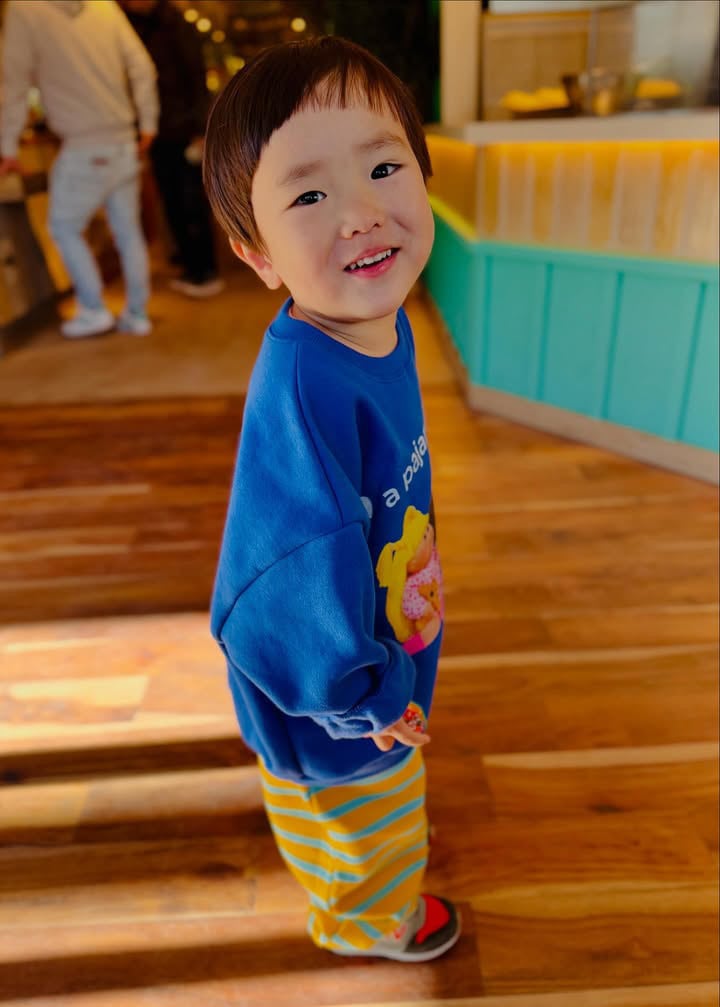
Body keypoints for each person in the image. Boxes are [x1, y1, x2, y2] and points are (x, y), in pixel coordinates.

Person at [204, 37, 460, 962]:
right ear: (257, 254)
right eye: (308, 196)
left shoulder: (376, 324)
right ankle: (369, 921)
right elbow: (279, 591)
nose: (360, 213)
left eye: (384, 168)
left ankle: (385, 853)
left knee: (385, 802)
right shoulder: (306, 392)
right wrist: (362, 699)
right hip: (333, 691)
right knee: (356, 822)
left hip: (378, 647)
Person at [0, 0, 158, 338]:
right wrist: (148, 123)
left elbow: (13, 84)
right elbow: (142, 66)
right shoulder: (104, 6)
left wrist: (8, 147)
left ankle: (92, 309)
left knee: (64, 227)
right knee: (128, 232)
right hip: (124, 142)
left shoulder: (24, 10)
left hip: (83, 145)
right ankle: (137, 313)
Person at [123, 0, 223, 298]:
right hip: (156, 133)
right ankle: (191, 267)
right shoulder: (129, 25)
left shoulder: (176, 25)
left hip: (183, 129)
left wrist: (201, 129)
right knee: (172, 203)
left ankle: (205, 271)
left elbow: (196, 78)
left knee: (191, 200)